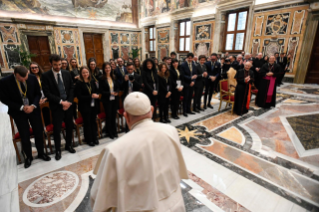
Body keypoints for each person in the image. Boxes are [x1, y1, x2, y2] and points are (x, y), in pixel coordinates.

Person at [90, 92, 188, 212]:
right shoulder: (171, 130)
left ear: (125, 116)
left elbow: (99, 197)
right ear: (151, 110)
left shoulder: (115, 150)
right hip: (175, 205)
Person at [0, 66, 51, 168]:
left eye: (25, 78)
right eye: (21, 79)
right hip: (18, 112)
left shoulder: (32, 78)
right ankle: (28, 157)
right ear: (15, 74)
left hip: (33, 110)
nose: (23, 80)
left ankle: (41, 153)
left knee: (38, 131)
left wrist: (33, 106)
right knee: (25, 134)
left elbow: (38, 94)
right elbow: (4, 99)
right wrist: (22, 107)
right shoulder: (5, 82)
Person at [42, 54, 76, 160]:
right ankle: (58, 150)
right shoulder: (46, 76)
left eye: (59, 64)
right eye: (55, 65)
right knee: (57, 129)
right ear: (50, 64)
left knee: (69, 126)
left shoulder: (66, 73)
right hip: (57, 106)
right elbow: (47, 93)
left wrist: (69, 102)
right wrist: (62, 102)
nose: (58, 67)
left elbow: (71, 88)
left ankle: (68, 145)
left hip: (68, 106)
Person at [75, 66, 99, 146]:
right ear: (81, 74)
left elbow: (95, 91)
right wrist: (91, 96)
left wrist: (96, 95)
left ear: (89, 73)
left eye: (87, 72)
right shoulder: (79, 83)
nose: (85, 74)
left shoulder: (92, 81)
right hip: (84, 106)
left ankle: (95, 137)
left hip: (93, 105)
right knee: (87, 122)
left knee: (93, 121)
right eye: (83, 73)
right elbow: (79, 96)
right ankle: (89, 139)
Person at [99, 62, 119, 139]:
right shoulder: (101, 78)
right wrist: (110, 93)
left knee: (114, 116)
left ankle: (114, 131)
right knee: (109, 116)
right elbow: (101, 90)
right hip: (107, 100)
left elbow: (117, 87)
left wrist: (116, 92)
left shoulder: (114, 77)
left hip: (114, 99)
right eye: (106, 68)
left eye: (109, 68)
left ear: (111, 68)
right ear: (104, 69)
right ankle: (110, 132)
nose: (108, 69)